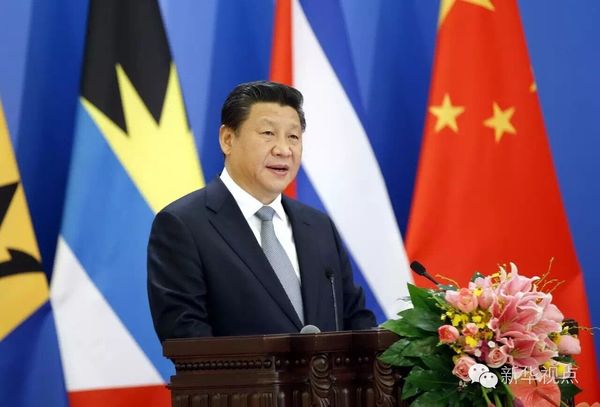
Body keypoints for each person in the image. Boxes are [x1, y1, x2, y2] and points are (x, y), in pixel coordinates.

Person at [147, 81, 376, 341]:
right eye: (268, 133)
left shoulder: (319, 227)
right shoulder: (183, 225)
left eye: (293, 137)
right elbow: (187, 338)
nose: (283, 150)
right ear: (227, 139)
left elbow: (357, 321)